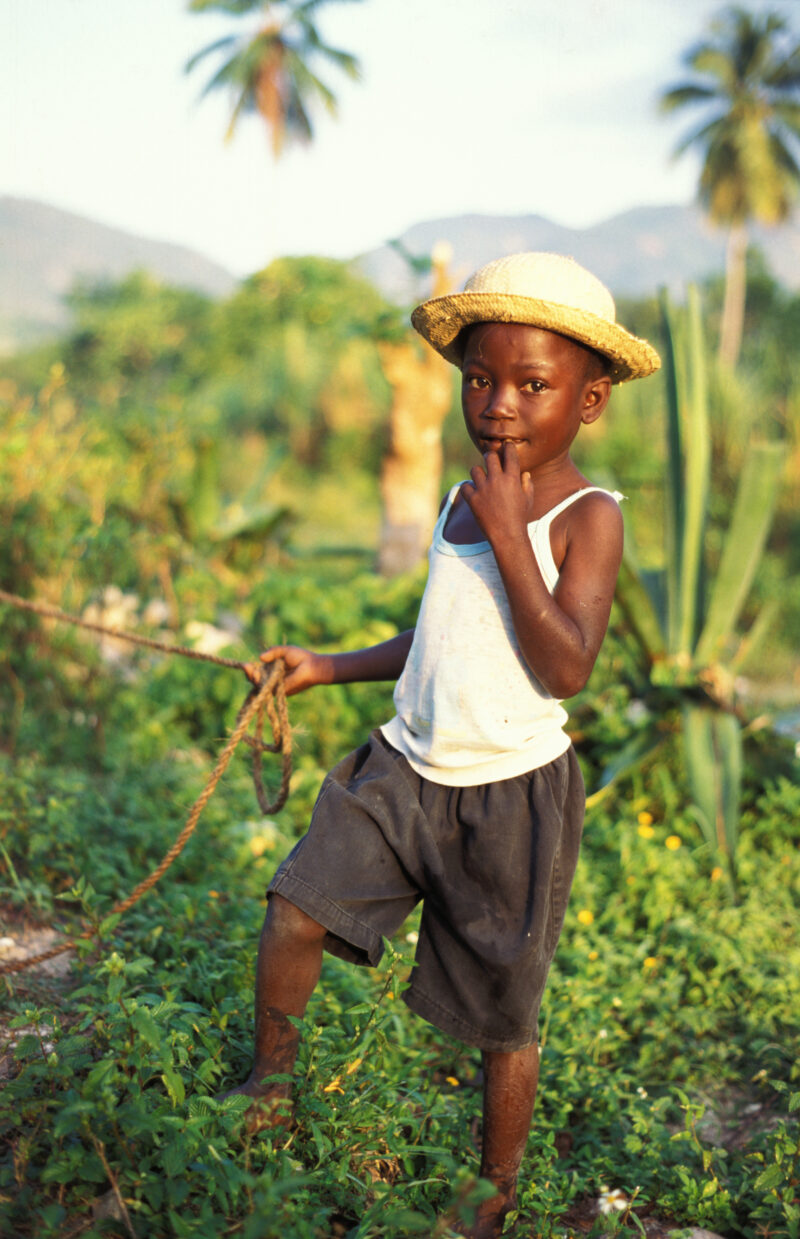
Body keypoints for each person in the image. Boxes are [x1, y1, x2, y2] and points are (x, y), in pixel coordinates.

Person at [226, 252, 661, 1238]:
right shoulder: (461, 500)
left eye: (531, 385)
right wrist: (326, 665)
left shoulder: (585, 518)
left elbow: (566, 667)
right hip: (405, 767)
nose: (498, 406)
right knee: (294, 910)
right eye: (478, 379)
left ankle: (492, 1191)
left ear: (588, 400)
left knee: (503, 1017)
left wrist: (513, 533)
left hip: (510, 794)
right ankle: (267, 1088)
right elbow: (439, 633)